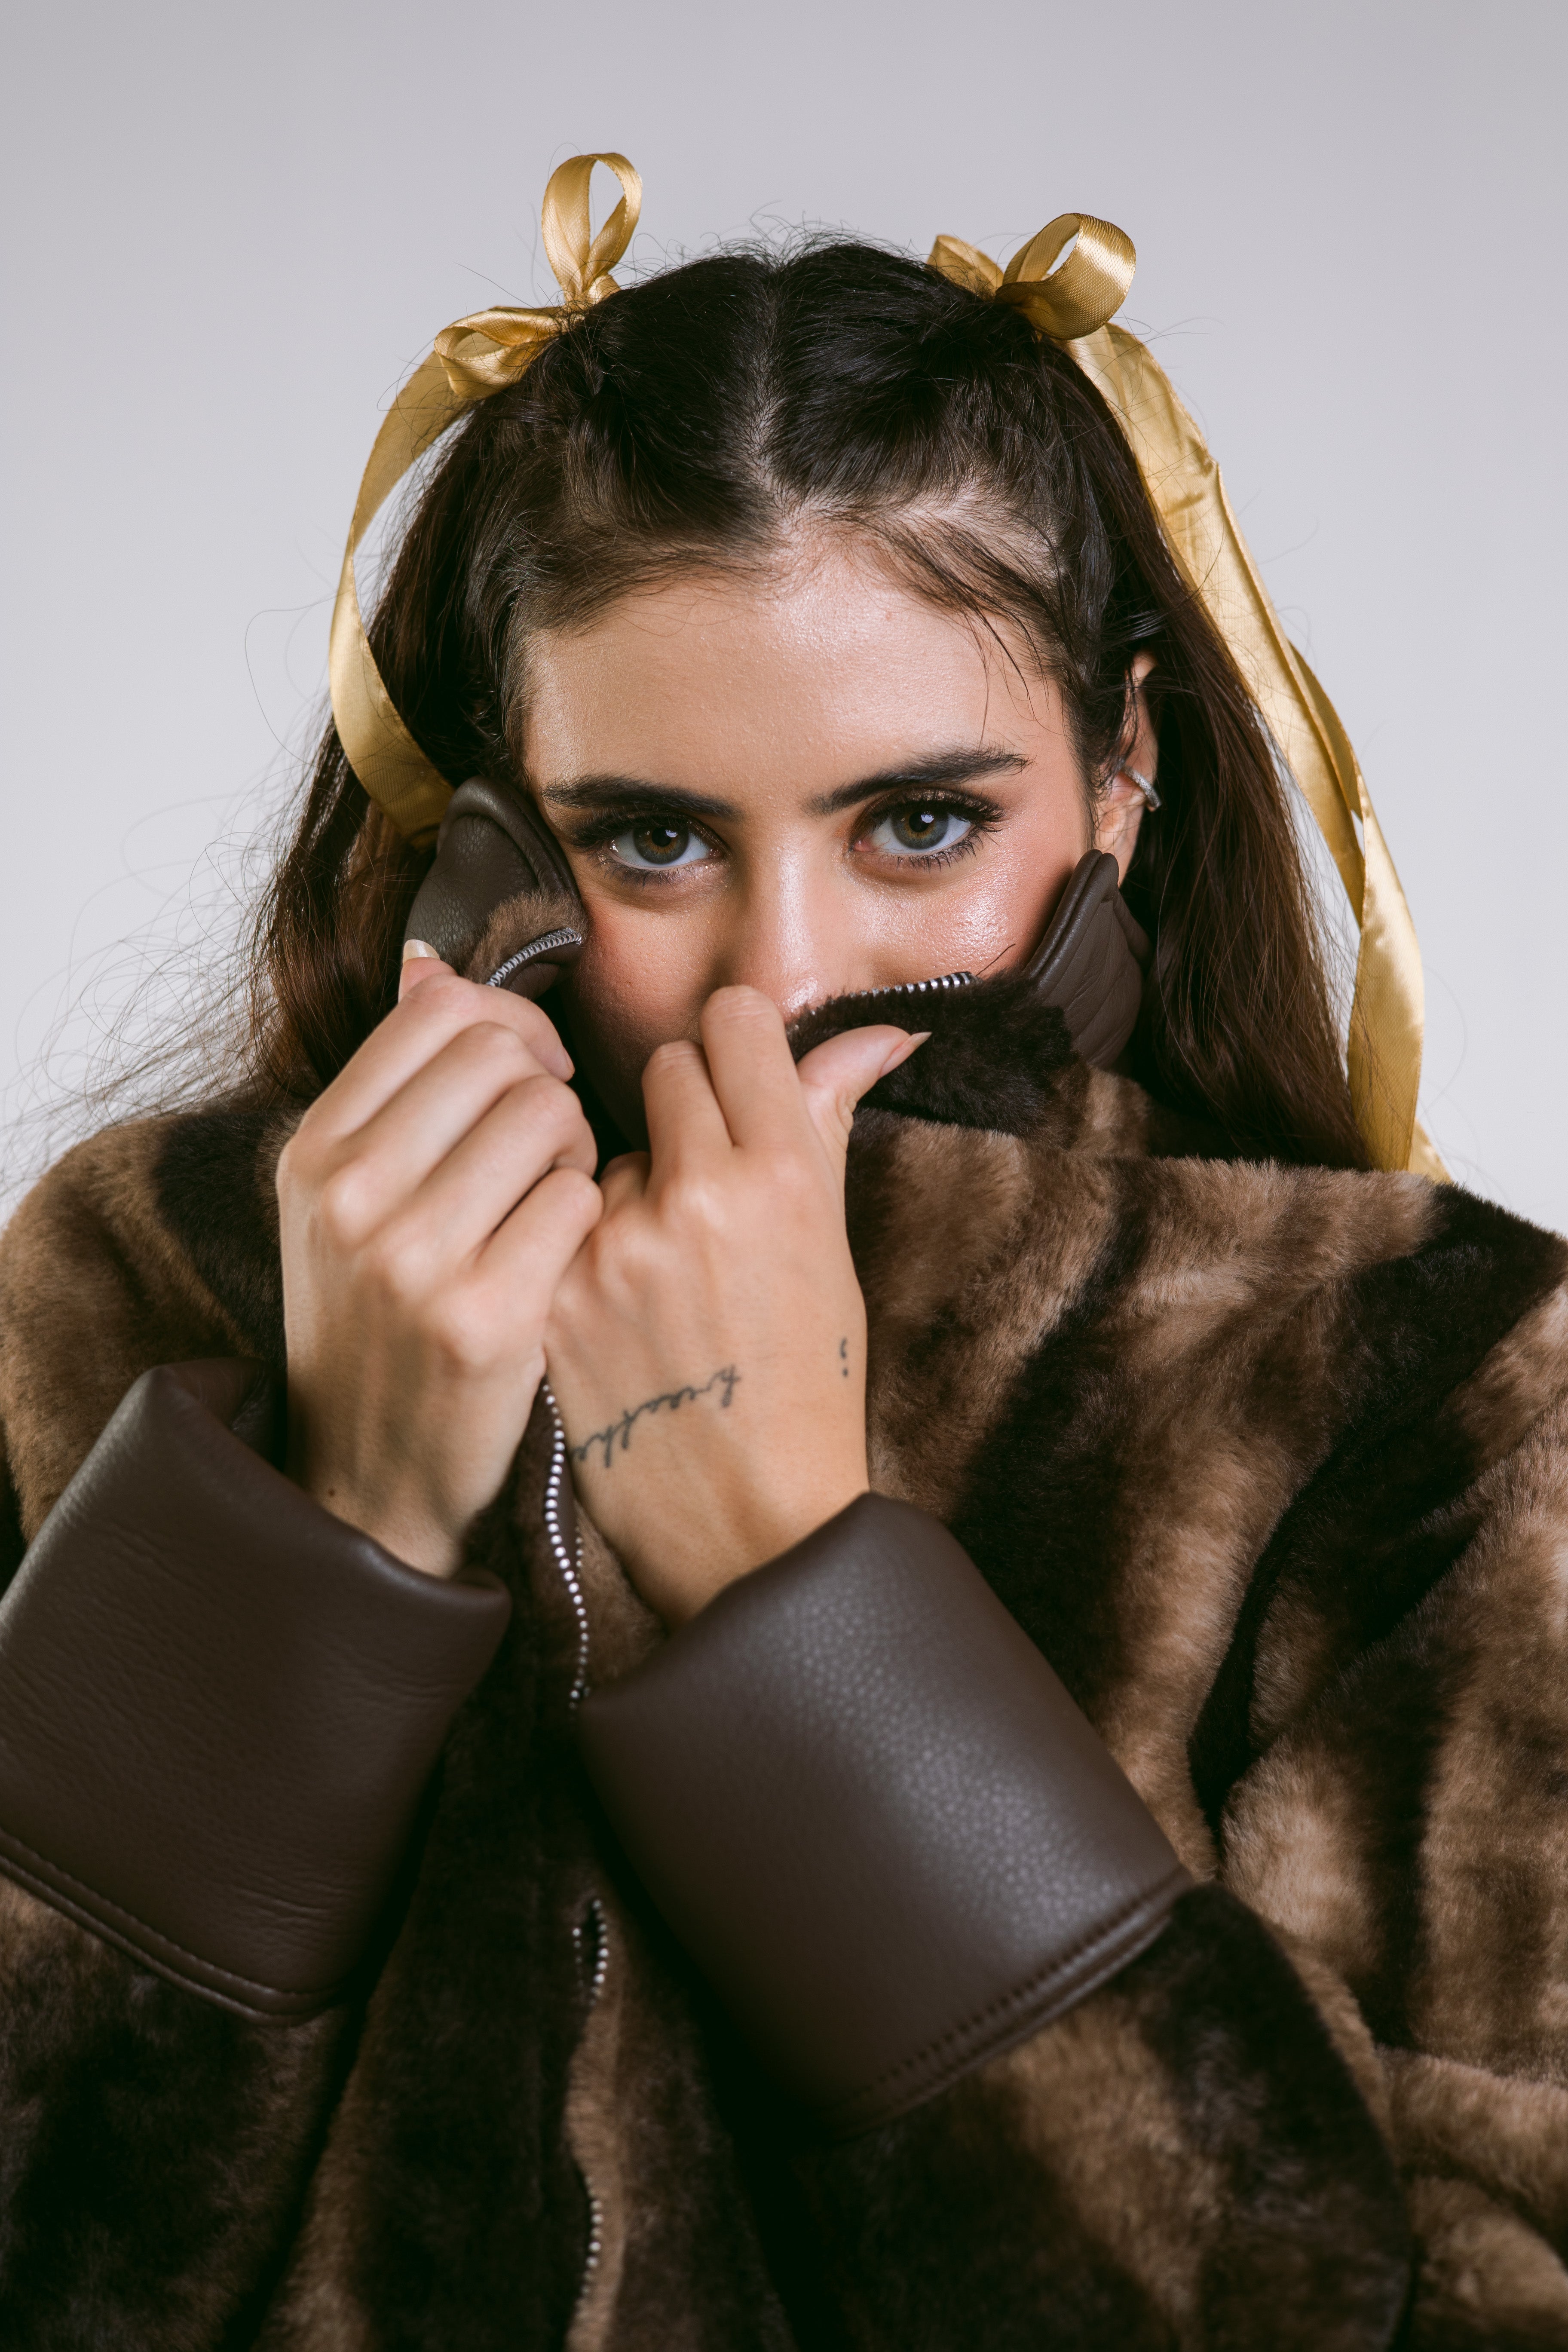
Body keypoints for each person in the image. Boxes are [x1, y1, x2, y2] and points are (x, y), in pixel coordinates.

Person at [0, 152, 1562, 2352]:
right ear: (488, 823)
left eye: (922, 823)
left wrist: (805, 1602)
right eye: (654, 839)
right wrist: (326, 1529)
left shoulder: (1425, 1385)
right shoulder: (141, 1280)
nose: (784, 980)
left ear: (1121, 772)